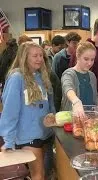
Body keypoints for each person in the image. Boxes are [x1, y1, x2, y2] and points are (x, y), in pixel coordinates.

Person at [0, 42, 55, 180]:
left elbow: (48, 104)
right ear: (24, 57)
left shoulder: (41, 76)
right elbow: (9, 112)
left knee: (42, 173)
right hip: (28, 136)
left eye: (41, 55)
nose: (39, 59)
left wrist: (53, 117)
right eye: (35, 56)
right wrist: (8, 140)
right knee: (38, 175)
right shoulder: (16, 77)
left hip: (44, 133)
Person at [60, 42, 98, 117]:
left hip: (89, 120)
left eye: (92, 59)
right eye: (86, 59)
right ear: (78, 56)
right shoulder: (69, 74)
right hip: (71, 120)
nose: (89, 63)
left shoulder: (92, 76)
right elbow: (68, 88)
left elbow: (94, 97)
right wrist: (76, 101)